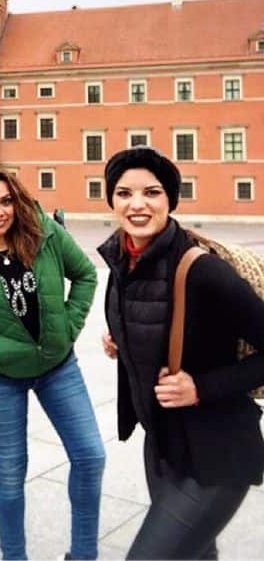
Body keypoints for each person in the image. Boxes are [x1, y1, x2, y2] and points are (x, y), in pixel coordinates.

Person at [0, 166, 105, 561]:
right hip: (0, 378)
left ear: (17, 200)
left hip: (59, 368)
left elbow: (85, 276)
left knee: (91, 456)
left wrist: (69, 325)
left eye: (6, 201)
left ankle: (84, 555)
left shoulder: (45, 233)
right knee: (10, 475)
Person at [99, 146, 264, 560]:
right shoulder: (123, 259)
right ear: (111, 200)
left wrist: (201, 388)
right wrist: (124, 337)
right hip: (163, 448)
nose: (137, 205)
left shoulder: (202, 270)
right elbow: (159, 319)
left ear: (170, 200)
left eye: (151, 193)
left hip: (216, 454)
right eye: (124, 193)